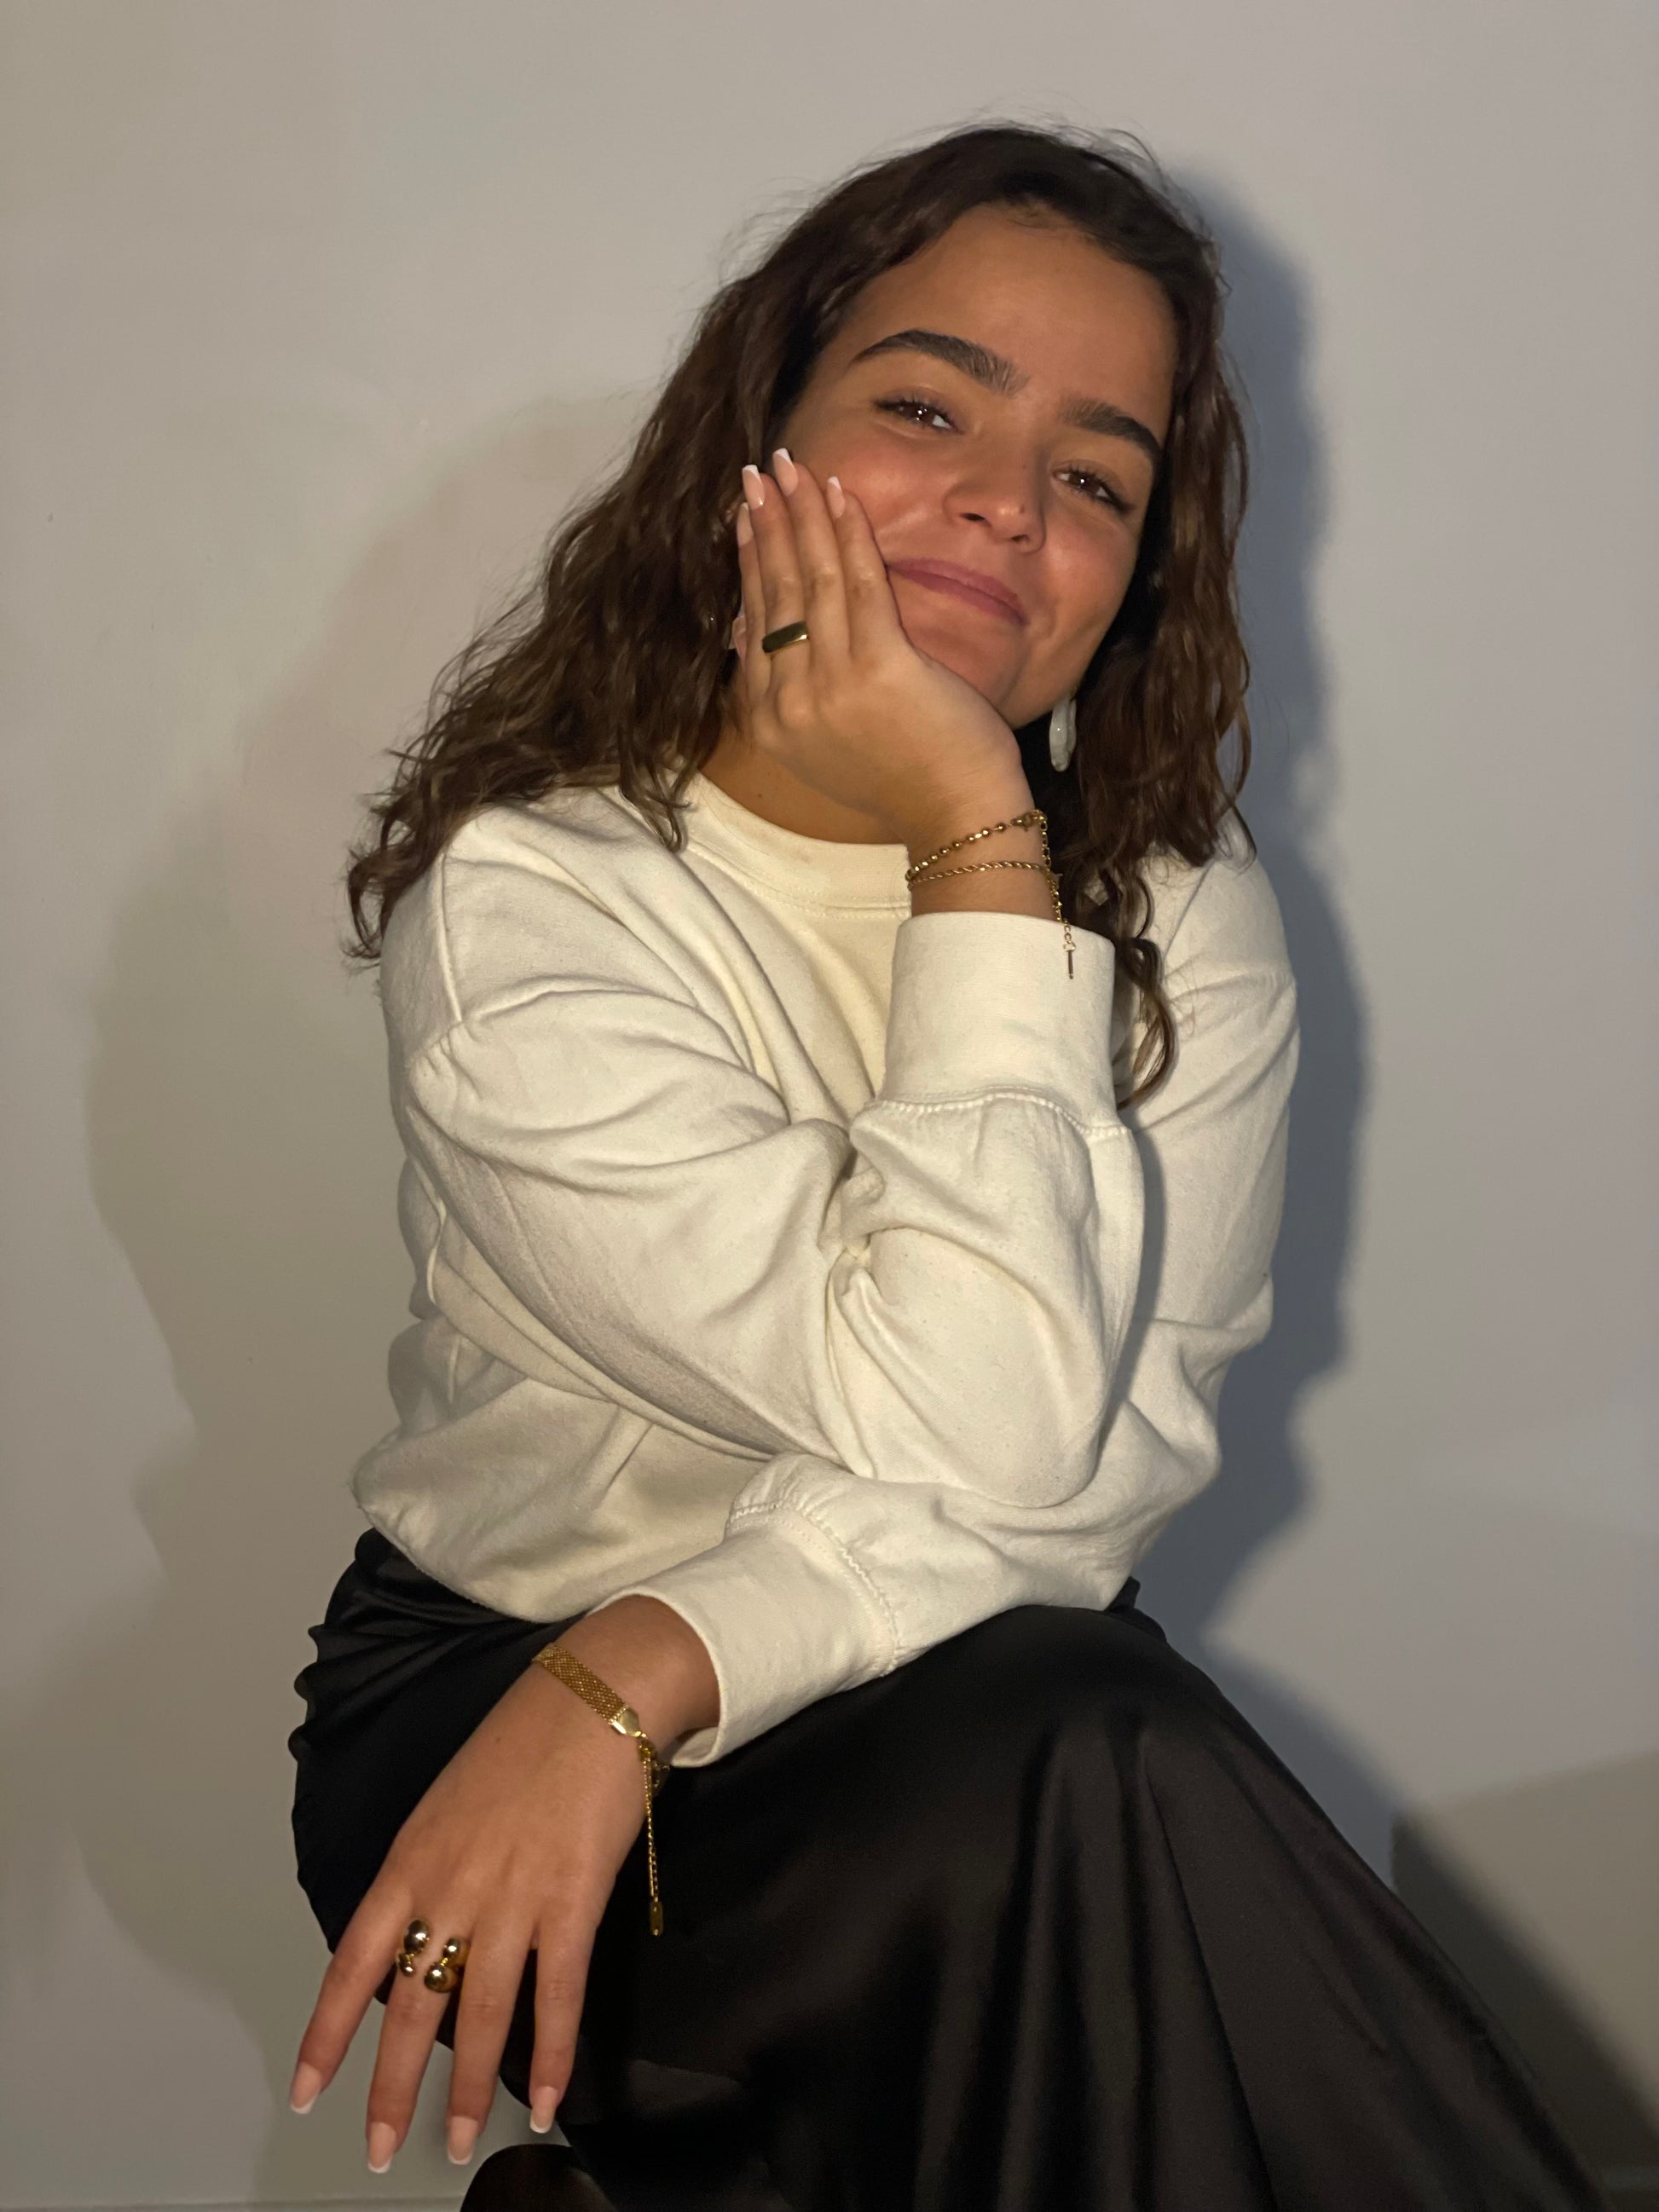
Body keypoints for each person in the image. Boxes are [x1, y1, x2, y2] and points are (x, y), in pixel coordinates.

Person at [285, 122, 1610, 2211]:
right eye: (926, 407)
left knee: (1082, 1778)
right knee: (1101, 1776)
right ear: (751, 442)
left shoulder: (1183, 908)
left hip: (819, 1690)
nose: (1008, 499)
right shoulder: (540, 903)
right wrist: (981, 845)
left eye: (1097, 475)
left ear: (1138, 567)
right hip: (499, 1721)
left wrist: (651, 1662)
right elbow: (990, 1434)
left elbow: (1085, 1472)